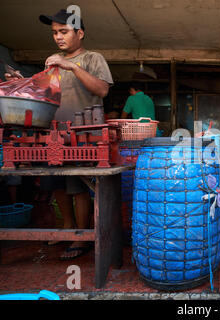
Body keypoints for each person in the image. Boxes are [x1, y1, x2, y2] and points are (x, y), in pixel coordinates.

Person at [4, 9, 114, 259]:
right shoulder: (52, 60)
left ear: (80, 33)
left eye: (63, 32)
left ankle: (81, 236)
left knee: (77, 184)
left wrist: (72, 67)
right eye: (54, 33)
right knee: (56, 184)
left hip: (83, 134)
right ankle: (67, 228)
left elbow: (102, 90)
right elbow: (41, 93)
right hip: (53, 133)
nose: (58, 37)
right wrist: (21, 82)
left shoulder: (92, 58)